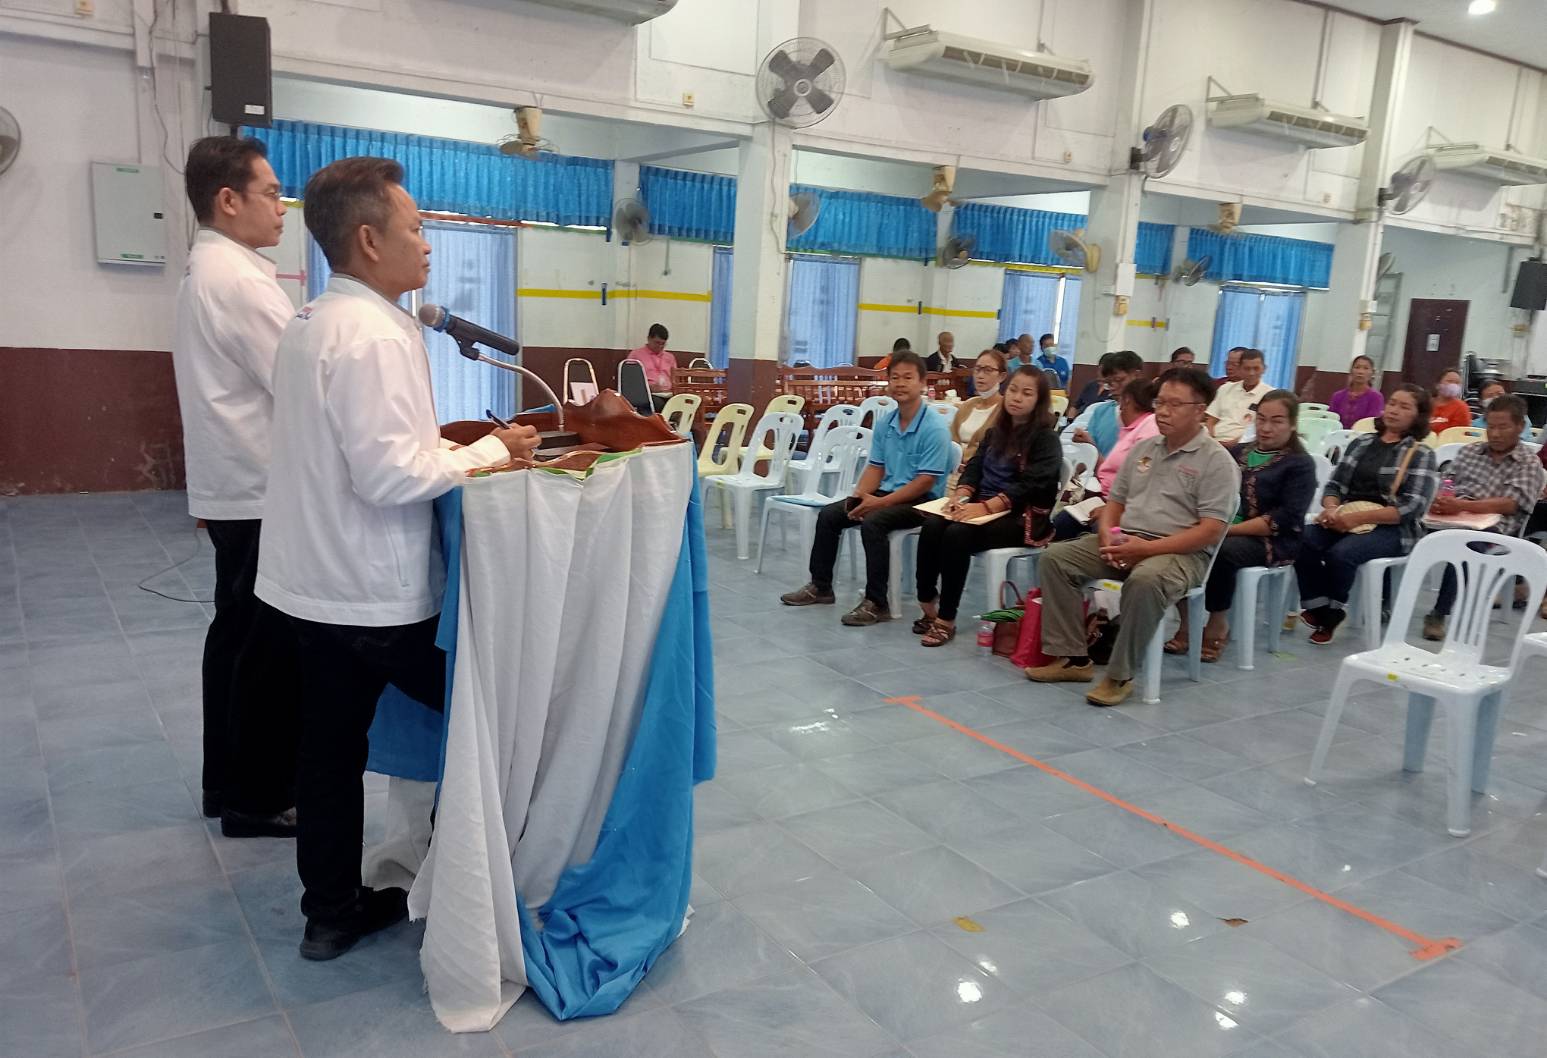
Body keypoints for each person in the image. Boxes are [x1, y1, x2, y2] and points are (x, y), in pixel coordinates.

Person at [256, 157, 541, 960]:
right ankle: (472, 882)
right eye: (416, 229)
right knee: (488, 715)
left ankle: (330, 912)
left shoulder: (311, 320)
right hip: (371, 593)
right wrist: (491, 452)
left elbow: (367, 449)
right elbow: (389, 476)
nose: (428, 244)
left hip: (308, 583)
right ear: (369, 240)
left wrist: (454, 450)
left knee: (328, 751)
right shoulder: (377, 334)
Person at [171, 135, 300, 839]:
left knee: (234, 636)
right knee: (264, 648)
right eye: (271, 193)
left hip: (234, 483)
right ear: (228, 200)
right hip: (259, 487)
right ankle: (256, 797)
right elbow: (304, 384)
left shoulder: (208, 269)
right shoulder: (242, 282)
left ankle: (224, 783)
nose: (282, 207)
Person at [1027, 367, 1240, 707]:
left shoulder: (1216, 461)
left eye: (1175, 404)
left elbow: (1210, 530)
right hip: (1128, 540)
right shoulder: (1145, 449)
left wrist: (1146, 549)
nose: (1163, 411)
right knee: (1056, 558)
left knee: (1145, 580)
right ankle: (1072, 659)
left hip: (1180, 553)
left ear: (1200, 410)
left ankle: (1119, 675)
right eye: (1160, 402)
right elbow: (1115, 503)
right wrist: (1109, 536)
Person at [780, 351, 951, 626]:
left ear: (922, 383)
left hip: (923, 502)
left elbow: (925, 481)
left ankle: (877, 602)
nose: (900, 383)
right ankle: (821, 586)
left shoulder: (934, 427)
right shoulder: (886, 423)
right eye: (895, 377)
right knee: (830, 515)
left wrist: (878, 503)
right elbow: (876, 467)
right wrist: (859, 496)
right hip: (889, 494)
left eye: (908, 377)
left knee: (874, 522)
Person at [913, 367, 1063, 646]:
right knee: (933, 524)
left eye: (1027, 393)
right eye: (1013, 390)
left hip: (1021, 517)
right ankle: (927, 602)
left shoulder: (1046, 439)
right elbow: (975, 467)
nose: (1017, 397)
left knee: (957, 534)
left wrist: (987, 507)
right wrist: (961, 496)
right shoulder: (996, 432)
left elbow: (1032, 485)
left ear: (1039, 400)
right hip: (981, 508)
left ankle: (946, 619)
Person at [1165, 390, 1317, 661]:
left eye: (1277, 421)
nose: (1266, 428)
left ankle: (1218, 622)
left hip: (1271, 539)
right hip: (1222, 528)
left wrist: (1223, 531)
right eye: (1261, 419)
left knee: (1222, 551)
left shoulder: (1300, 464)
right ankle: (1188, 623)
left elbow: (1285, 517)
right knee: (1175, 540)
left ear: (1293, 424)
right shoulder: (1237, 452)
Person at [1295, 384, 1439, 646]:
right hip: (1347, 515)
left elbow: (1412, 507)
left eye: (1404, 407)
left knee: (1342, 553)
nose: (1394, 410)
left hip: (1392, 527)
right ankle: (1320, 607)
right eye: (1392, 403)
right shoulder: (1361, 442)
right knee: (1301, 539)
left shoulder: (1420, 453)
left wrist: (1358, 518)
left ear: (1418, 416)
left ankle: (1332, 611)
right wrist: (1331, 508)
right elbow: (1335, 484)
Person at [1421, 394, 1546, 639]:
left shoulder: (1528, 463)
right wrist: (1443, 498)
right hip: (1453, 515)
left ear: (1520, 426)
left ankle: (1439, 612)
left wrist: (1462, 505)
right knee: (1408, 530)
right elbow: (1447, 482)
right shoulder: (1469, 452)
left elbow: (1509, 505)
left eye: (1503, 427)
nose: (1495, 434)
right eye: (1491, 426)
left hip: (1498, 528)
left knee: (1466, 545)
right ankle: (1386, 600)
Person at [1049, 378, 1159, 541]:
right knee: (1059, 524)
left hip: (1122, 508)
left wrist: (1110, 509)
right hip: (1107, 498)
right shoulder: (1130, 430)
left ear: (1127, 401)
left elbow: (1140, 482)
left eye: (1120, 403)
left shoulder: (1148, 430)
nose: (1118, 409)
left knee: (1073, 530)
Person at [1064, 350, 1144, 454]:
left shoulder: (1148, 415)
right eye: (1109, 383)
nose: (1113, 387)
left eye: (1119, 380)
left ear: (1136, 375)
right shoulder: (1101, 412)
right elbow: (1091, 453)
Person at [947, 350, 1008, 487]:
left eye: (988, 370)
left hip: (979, 477)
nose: (980, 375)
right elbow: (951, 439)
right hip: (952, 470)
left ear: (1002, 376)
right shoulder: (967, 405)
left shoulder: (1005, 410)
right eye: (978, 369)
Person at [1206, 347, 1268, 444]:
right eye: (1247, 369)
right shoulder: (1225, 388)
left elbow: (1259, 430)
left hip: (1243, 445)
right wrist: (1211, 439)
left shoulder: (1269, 395)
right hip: (1214, 441)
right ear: (1240, 369)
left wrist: (1231, 444)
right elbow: (1211, 420)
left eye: (1256, 368)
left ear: (1264, 369)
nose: (1251, 373)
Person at [625, 323, 677, 411]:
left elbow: (675, 379)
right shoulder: (635, 355)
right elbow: (629, 381)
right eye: (657, 343)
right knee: (661, 405)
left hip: (668, 393)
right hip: (646, 394)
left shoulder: (670, 357)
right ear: (649, 339)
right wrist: (648, 387)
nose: (660, 346)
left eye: (663, 344)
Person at [1329, 354, 1384, 430]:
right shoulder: (1338, 396)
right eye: (1357, 367)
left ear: (1372, 373)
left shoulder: (1376, 397)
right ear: (1351, 371)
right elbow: (1331, 420)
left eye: (1366, 368)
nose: (1360, 372)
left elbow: (1371, 423)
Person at [1429, 368, 1472, 435]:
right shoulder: (1426, 404)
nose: (1453, 385)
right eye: (1450, 381)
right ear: (1438, 385)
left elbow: (1460, 433)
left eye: (1457, 383)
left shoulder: (1461, 407)